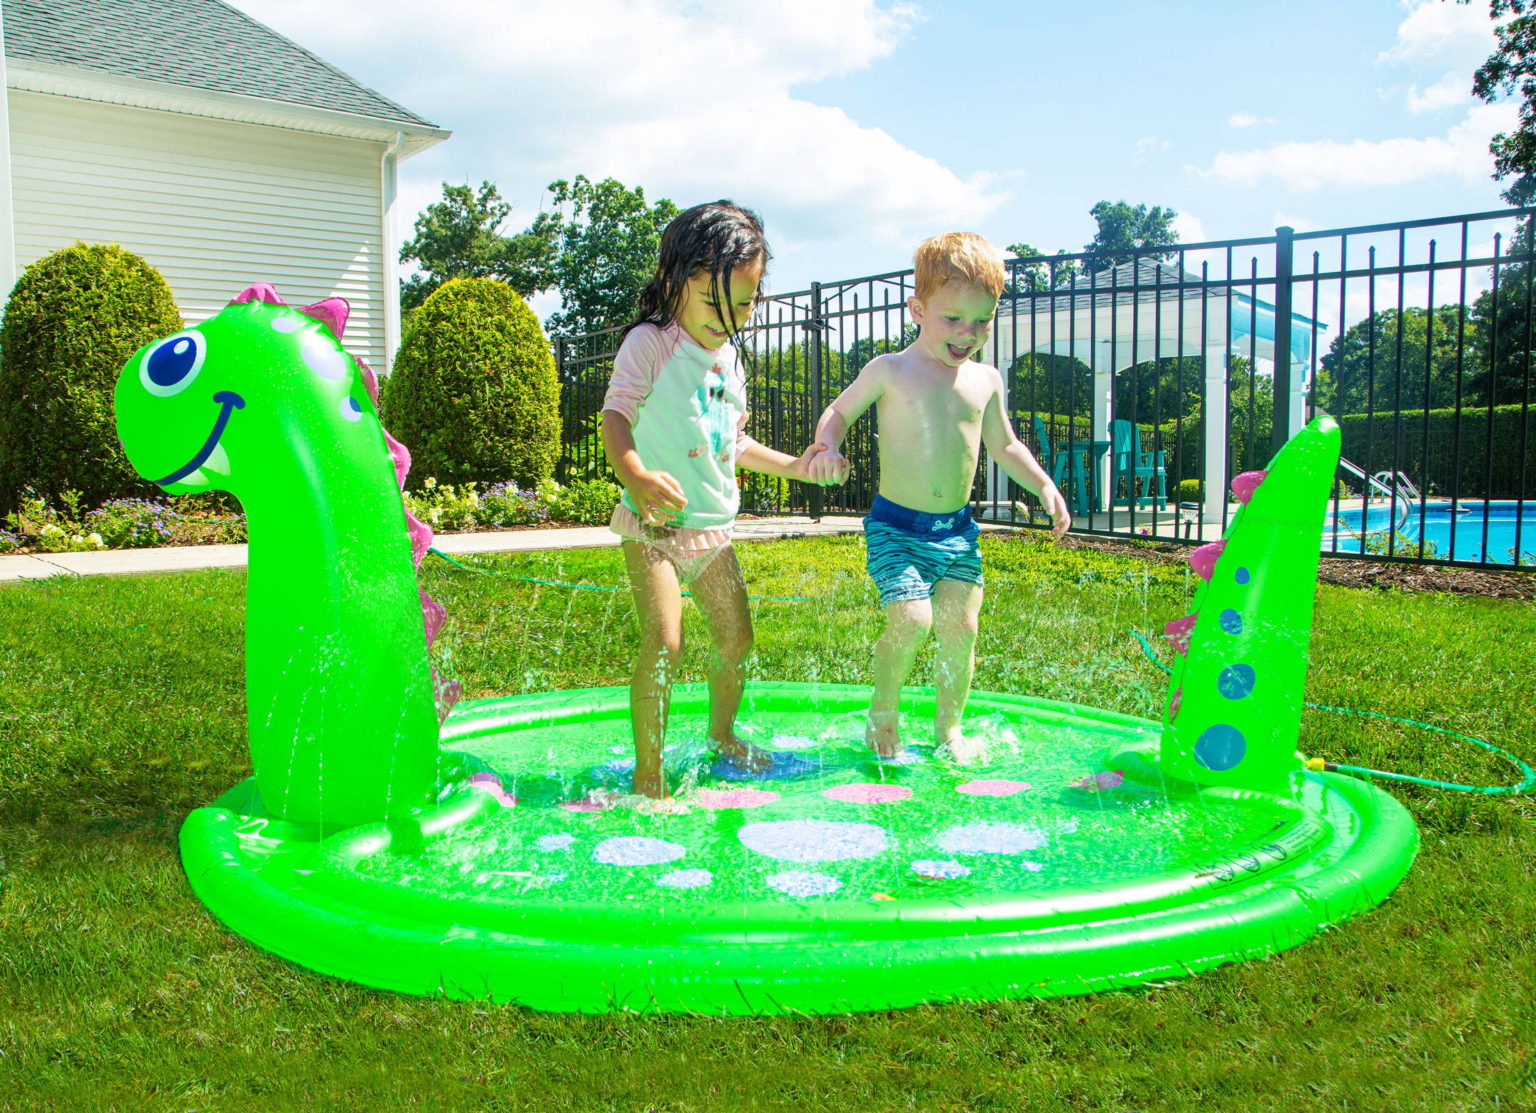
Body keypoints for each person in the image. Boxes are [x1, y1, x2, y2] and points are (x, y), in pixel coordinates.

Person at [807, 232, 1071, 762]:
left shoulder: (986, 380)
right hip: (897, 529)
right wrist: (826, 444)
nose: (967, 333)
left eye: (981, 321)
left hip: (956, 531)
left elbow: (1006, 444)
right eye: (953, 319)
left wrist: (1043, 483)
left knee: (962, 629)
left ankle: (948, 729)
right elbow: (838, 411)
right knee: (912, 620)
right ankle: (883, 713)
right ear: (917, 309)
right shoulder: (890, 370)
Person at [601, 200, 825, 799]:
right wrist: (638, 475)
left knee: (737, 640)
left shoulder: (729, 358)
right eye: (715, 304)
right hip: (654, 528)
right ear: (677, 281)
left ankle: (721, 735)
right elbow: (615, 417)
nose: (730, 320)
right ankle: (648, 773)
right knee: (665, 642)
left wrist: (795, 467)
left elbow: (734, 440)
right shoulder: (651, 344)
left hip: (712, 531)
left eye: (746, 305)